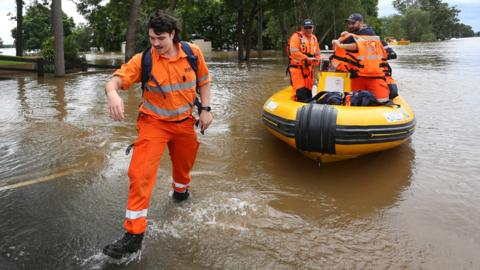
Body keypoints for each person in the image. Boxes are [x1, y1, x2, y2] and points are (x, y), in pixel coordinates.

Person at [102, 10, 212, 259]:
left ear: (172, 34)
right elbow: (115, 80)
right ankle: (133, 236)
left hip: (185, 123)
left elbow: (204, 82)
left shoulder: (193, 53)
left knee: (184, 168)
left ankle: (181, 193)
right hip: (153, 124)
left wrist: (205, 110)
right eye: (152, 38)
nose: (155, 43)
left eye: (160, 38)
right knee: (139, 174)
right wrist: (112, 93)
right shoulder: (145, 60)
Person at [331, 13, 397, 103]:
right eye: (349, 23)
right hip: (357, 77)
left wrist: (341, 44)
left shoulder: (365, 37)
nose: (350, 25)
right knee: (352, 101)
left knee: (382, 101)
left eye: (353, 23)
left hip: (374, 77)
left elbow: (358, 45)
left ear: (361, 23)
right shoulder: (351, 37)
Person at [287, 18, 321, 102]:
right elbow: (294, 52)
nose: (308, 29)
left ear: (313, 28)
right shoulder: (296, 37)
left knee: (309, 94)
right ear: (302, 28)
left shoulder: (314, 38)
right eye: (306, 27)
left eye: (310, 27)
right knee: (301, 93)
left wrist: (318, 60)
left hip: (309, 71)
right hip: (297, 70)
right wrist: (306, 58)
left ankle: (309, 111)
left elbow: (317, 52)